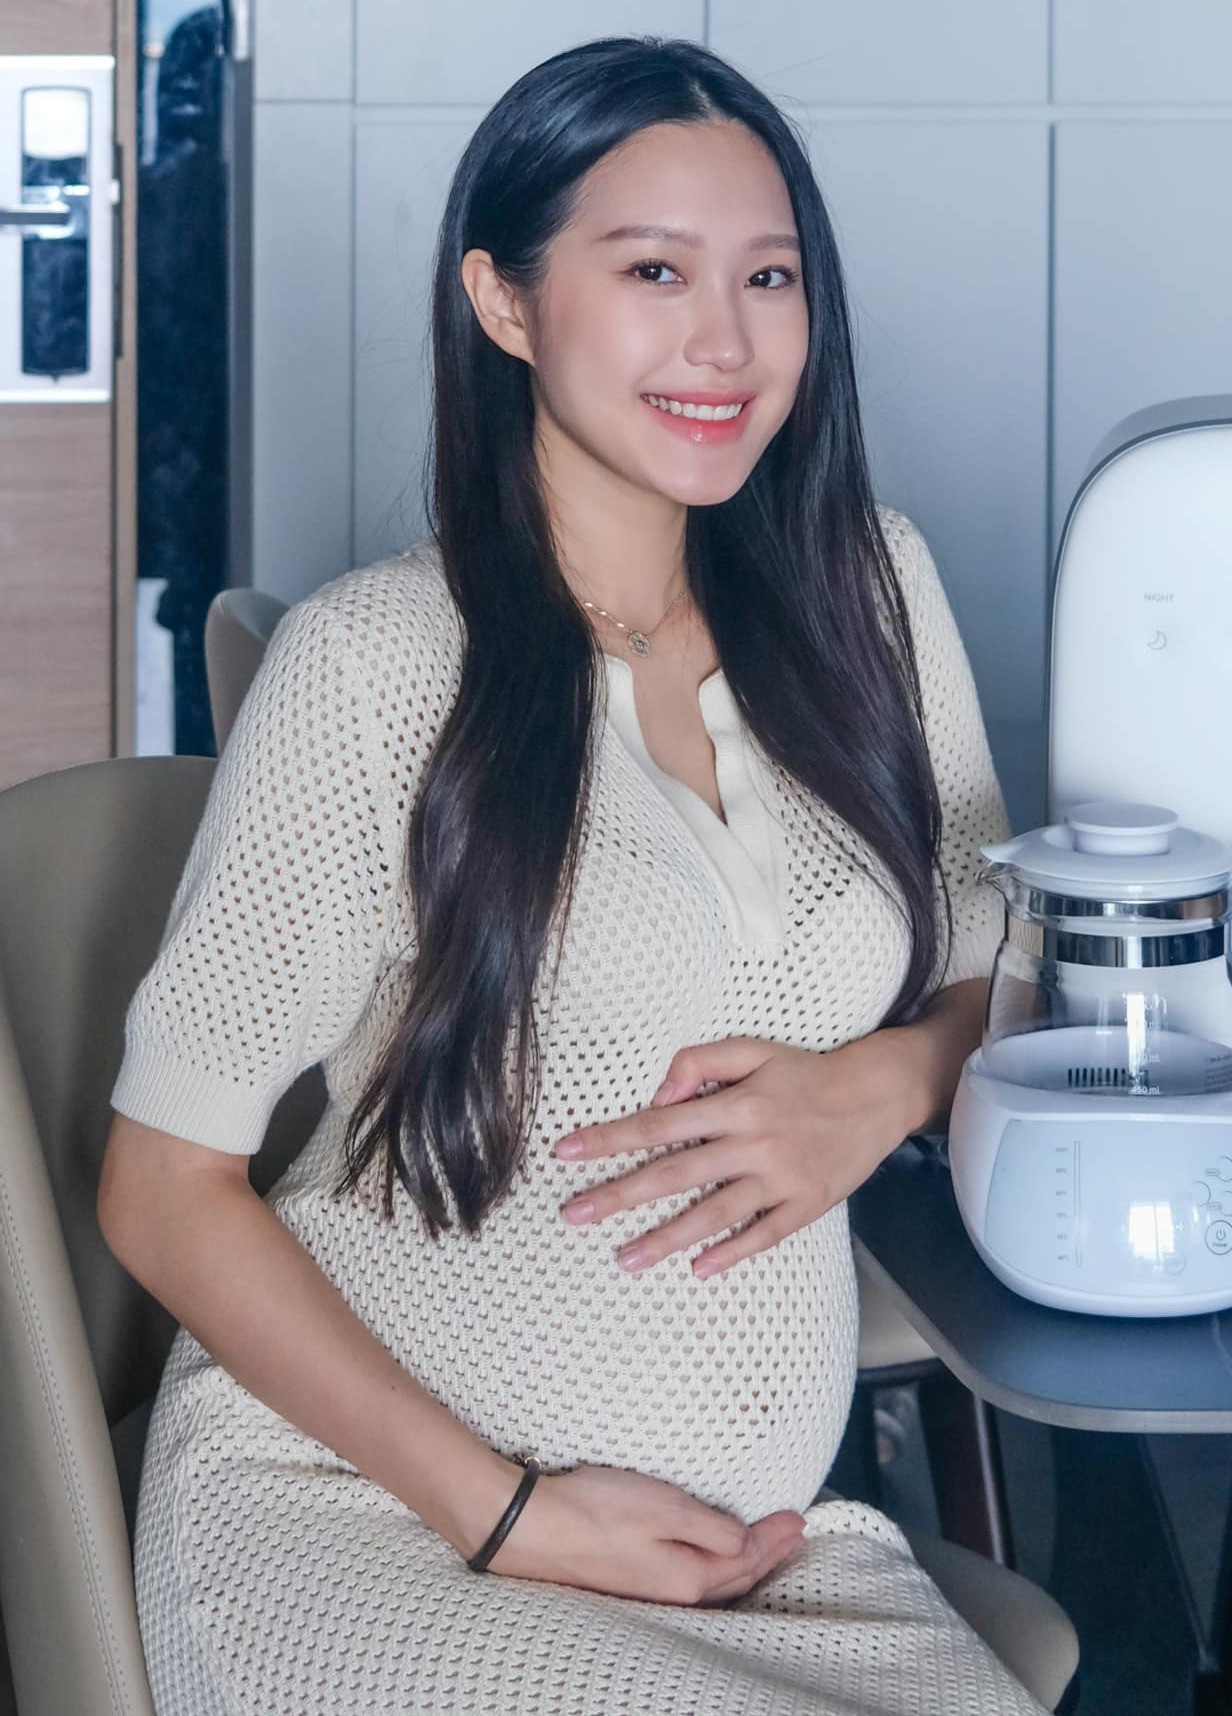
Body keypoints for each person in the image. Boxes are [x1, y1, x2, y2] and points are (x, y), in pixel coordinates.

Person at [98, 34, 1039, 1716]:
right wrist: (508, 1511)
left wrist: (885, 1087)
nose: (725, 342)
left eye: (769, 277)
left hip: (754, 1558)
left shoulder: (872, 596)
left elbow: (1006, 975)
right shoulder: (375, 665)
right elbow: (161, 1188)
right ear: (506, 302)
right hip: (381, 1525)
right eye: (654, 272)